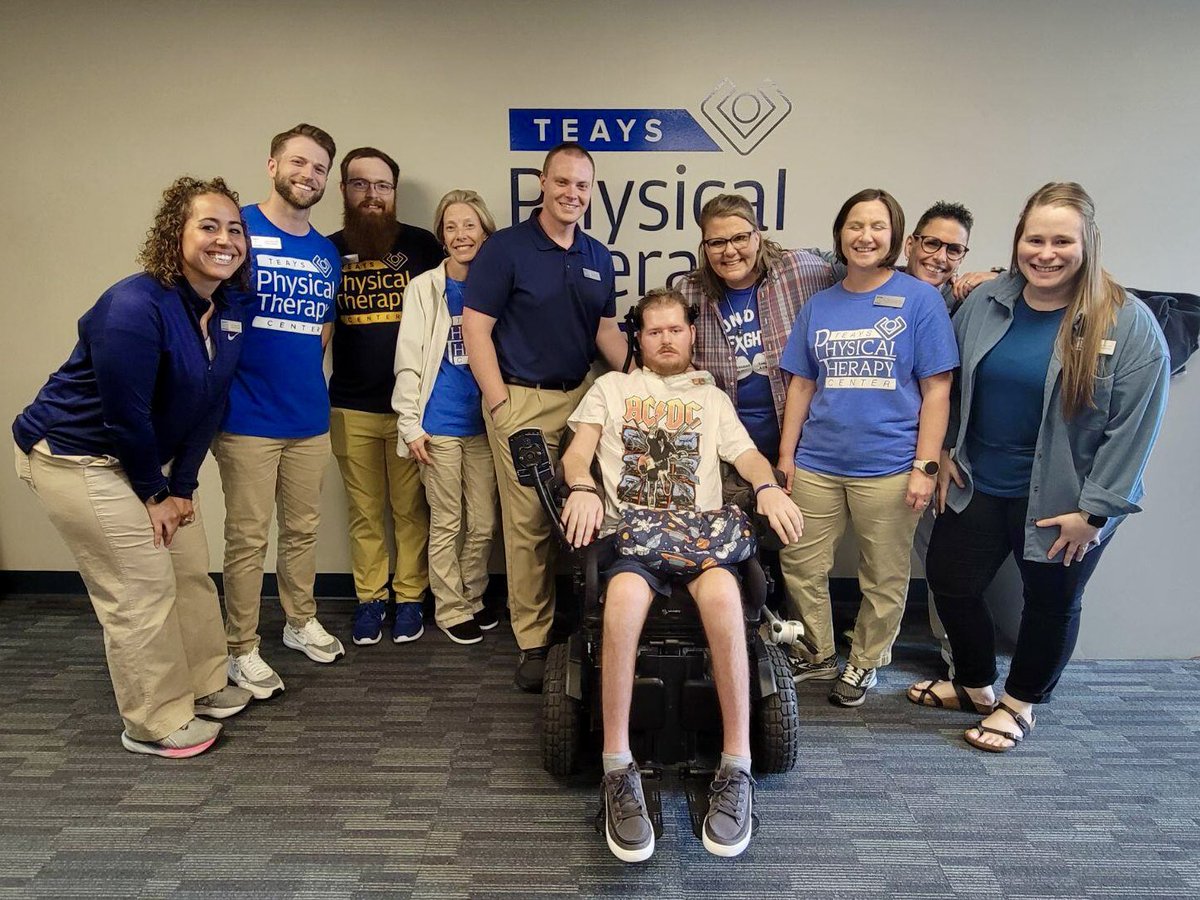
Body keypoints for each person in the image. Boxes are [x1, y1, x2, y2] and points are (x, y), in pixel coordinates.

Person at [908, 182, 1170, 752]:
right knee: (951, 583)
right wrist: (946, 448)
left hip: (1065, 502)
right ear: (1017, 241)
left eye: (1061, 241)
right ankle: (975, 684)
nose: (1045, 253)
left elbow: (1136, 428)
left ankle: (1021, 703)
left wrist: (1095, 513)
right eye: (1034, 239)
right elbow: (948, 383)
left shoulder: (1128, 324)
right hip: (979, 483)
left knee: (1050, 603)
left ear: (1088, 244)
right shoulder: (986, 301)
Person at [12, 176, 255, 757]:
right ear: (175, 234)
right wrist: (155, 494)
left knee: (189, 570)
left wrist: (185, 486)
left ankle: (203, 684)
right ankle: (154, 721)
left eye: (234, 228)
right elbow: (126, 416)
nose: (225, 239)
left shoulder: (226, 308)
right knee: (140, 586)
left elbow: (210, 401)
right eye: (208, 226)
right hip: (80, 458)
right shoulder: (133, 305)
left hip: (149, 457)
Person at [560, 287, 805, 861]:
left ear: (691, 335)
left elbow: (746, 457)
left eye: (675, 329)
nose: (666, 339)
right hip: (634, 535)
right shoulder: (612, 388)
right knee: (619, 604)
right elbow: (578, 452)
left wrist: (766, 486)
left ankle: (736, 766)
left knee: (725, 599)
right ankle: (618, 767)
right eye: (654, 331)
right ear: (638, 338)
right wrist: (581, 486)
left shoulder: (711, 397)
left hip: (702, 537)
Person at [777, 189, 959, 706]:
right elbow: (803, 385)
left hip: (890, 465)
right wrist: (787, 455)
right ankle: (817, 652)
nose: (866, 237)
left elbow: (937, 389)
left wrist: (925, 465)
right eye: (855, 226)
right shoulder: (820, 304)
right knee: (801, 563)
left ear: (895, 237)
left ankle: (865, 662)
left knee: (883, 574)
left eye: (878, 227)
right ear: (840, 234)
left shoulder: (919, 300)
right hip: (817, 462)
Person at [463, 141, 628, 691]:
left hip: (584, 396)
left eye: (582, 185)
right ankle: (533, 640)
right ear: (542, 182)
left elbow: (606, 332)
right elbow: (476, 327)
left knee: (597, 505)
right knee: (531, 524)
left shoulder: (598, 255)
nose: (572, 194)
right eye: (563, 182)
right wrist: (498, 403)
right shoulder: (506, 249)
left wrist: (654, 380)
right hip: (522, 401)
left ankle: (597, 618)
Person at [216, 123, 344, 700]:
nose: (307, 175)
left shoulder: (325, 252)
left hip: (307, 416)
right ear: (272, 165)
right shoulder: (237, 230)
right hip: (246, 417)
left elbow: (320, 331)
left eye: (318, 168)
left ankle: (298, 621)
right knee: (247, 539)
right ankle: (240, 649)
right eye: (298, 163)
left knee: (301, 530)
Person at [328, 147, 443, 646]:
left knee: (411, 510)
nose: (372, 195)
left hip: (409, 409)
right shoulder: (326, 249)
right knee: (364, 512)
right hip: (349, 405)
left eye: (382, 186)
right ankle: (371, 599)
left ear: (394, 193)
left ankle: (411, 598)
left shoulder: (423, 246)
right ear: (344, 191)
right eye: (360, 184)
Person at [393, 190, 499, 645]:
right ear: (442, 235)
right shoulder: (425, 287)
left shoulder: (496, 285)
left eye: (470, 225)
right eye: (452, 227)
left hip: (484, 426)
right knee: (447, 522)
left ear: (485, 232)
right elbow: (409, 359)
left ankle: (472, 597)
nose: (461, 235)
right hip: (437, 425)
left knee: (483, 523)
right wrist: (409, 424)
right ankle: (450, 606)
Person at [682, 193, 833, 460]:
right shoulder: (689, 292)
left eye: (740, 238)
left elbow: (862, 272)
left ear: (757, 236)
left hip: (802, 450)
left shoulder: (800, 270)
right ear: (704, 246)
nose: (730, 251)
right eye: (717, 242)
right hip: (725, 451)